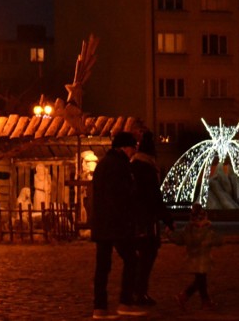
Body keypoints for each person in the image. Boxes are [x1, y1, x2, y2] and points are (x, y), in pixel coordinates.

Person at [91, 131, 147, 320]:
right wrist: (131, 222)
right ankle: (125, 302)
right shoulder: (120, 166)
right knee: (132, 260)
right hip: (117, 224)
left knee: (102, 266)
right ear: (124, 147)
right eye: (133, 148)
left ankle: (99, 308)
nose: (134, 152)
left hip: (102, 224)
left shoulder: (103, 165)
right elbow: (122, 197)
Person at [130, 131, 174, 306]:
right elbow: (155, 197)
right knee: (147, 257)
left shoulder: (132, 167)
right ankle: (139, 293)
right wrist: (168, 220)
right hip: (146, 221)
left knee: (137, 258)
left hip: (132, 221)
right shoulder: (147, 169)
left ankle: (135, 291)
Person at [168, 203, 223, 310]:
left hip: (193, 259)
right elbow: (216, 240)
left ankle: (199, 300)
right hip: (203, 259)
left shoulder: (188, 229)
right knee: (200, 281)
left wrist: (169, 233)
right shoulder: (207, 231)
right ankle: (186, 297)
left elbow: (179, 239)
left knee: (200, 281)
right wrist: (220, 239)